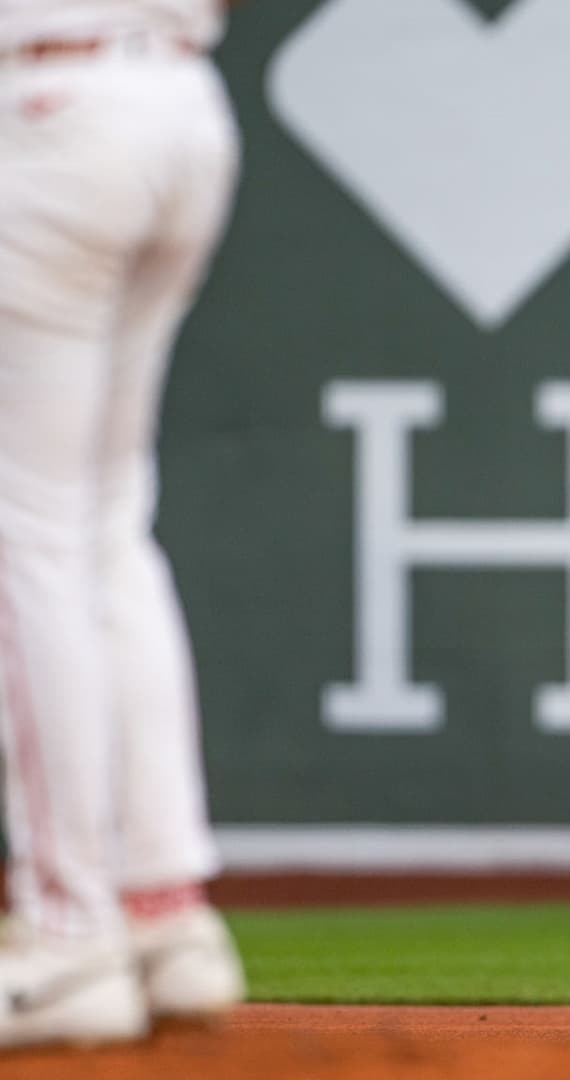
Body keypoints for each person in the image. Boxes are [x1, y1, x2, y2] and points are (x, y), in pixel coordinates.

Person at [0, 0, 245, 1050]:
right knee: (101, 527)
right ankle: (163, 916)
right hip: (180, 103)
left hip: (53, 103)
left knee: (27, 537)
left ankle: (67, 931)